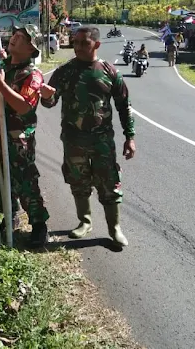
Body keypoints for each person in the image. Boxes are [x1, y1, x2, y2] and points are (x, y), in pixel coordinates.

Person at [40, 26, 136, 247]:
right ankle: (85, 222)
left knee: (110, 183)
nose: (78, 47)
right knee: (78, 182)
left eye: (84, 43)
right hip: (74, 139)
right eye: (75, 42)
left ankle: (115, 228)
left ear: (97, 45)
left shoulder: (109, 71)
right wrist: (46, 97)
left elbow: (124, 106)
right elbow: (50, 101)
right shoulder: (65, 72)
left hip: (102, 140)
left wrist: (129, 137)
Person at [0, 25, 50, 248]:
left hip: (17, 138)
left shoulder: (32, 75)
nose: (15, 38)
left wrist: (0, 85)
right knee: (0, 177)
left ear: (32, 49)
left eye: (22, 38)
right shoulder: (1, 67)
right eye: (15, 35)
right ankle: (10, 216)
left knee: (25, 181)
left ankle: (39, 225)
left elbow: (23, 107)